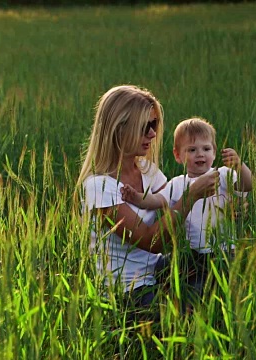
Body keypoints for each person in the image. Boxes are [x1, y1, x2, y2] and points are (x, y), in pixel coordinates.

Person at [77, 86, 220, 314]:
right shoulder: (98, 186)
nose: (153, 134)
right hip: (126, 289)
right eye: (146, 127)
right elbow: (150, 242)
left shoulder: (146, 170)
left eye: (153, 126)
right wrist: (191, 196)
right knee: (183, 322)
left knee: (215, 264)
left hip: (156, 271)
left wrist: (222, 207)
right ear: (119, 128)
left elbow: (177, 202)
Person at [120, 117, 253, 303]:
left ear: (214, 152)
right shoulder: (178, 183)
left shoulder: (222, 175)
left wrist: (240, 166)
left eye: (206, 149)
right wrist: (136, 197)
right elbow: (157, 200)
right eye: (192, 150)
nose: (200, 154)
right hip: (194, 254)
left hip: (223, 251)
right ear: (178, 155)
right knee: (195, 291)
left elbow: (247, 186)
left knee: (225, 288)